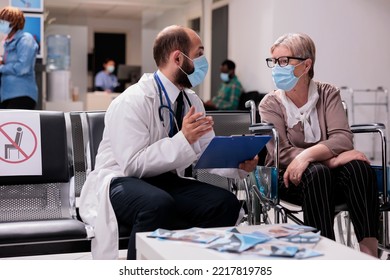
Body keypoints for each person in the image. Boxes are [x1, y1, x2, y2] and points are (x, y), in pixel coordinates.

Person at [79, 25, 258, 260]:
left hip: (163, 179)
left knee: (225, 203)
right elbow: (133, 164)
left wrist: (237, 164)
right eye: (199, 54)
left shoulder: (191, 100)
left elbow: (206, 152)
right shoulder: (132, 100)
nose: (204, 62)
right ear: (178, 57)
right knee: (157, 204)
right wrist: (183, 139)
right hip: (119, 180)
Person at [259, 33, 379, 257]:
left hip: (326, 175)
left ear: (306, 65)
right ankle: (325, 253)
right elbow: (281, 152)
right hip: (289, 177)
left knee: (359, 168)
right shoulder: (270, 103)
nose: (277, 67)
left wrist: (307, 156)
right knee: (317, 171)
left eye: (284, 61)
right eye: (273, 62)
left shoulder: (328, 93)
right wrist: (331, 159)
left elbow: (342, 138)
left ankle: (369, 253)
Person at [0, 6, 38, 109]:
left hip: (22, 94)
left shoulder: (25, 39)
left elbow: (23, 67)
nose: (1, 23)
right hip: (6, 95)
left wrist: (2, 68)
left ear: (14, 22)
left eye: (4, 21)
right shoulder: (7, 42)